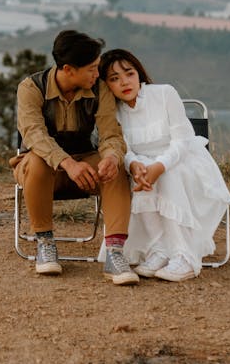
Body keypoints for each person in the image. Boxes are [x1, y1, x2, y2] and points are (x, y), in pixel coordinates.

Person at [13, 30, 138, 285]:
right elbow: (34, 135)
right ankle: (45, 243)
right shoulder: (31, 88)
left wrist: (111, 157)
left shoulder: (99, 89)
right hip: (44, 169)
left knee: (115, 168)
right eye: (92, 69)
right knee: (38, 159)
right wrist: (68, 164)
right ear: (68, 69)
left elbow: (110, 134)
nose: (97, 73)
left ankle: (115, 254)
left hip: (85, 161)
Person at [98, 48, 230, 282]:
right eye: (114, 79)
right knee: (137, 180)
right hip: (142, 165)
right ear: (106, 85)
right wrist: (134, 166)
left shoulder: (164, 94)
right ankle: (159, 250)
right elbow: (124, 149)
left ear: (138, 73)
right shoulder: (115, 112)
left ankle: (184, 256)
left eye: (129, 74)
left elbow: (181, 141)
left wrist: (159, 167)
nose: (124, 82)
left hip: (184, 161)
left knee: (166, 176)